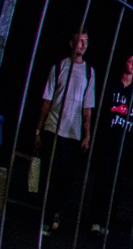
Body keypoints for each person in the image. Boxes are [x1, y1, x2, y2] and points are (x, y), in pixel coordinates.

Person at [35, 30, 97, 235]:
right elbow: (47, 100)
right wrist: (39, 128)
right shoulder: (59, 67)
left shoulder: (89, 72)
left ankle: (55, 210)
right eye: (80, 41)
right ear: (71, 43)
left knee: (66, 178)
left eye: (86, 41)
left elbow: (87, 108)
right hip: (54, 127)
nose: (83, 45)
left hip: (73, 132)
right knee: (50, 175)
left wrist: (87, 134)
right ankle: (45, 217)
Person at [84, 52, 133, 233]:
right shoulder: (112, 86)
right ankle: (94, 219)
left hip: (123, 145)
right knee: (102, 180)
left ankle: (106, 221)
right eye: (130, 61)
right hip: (108, 141)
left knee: (115, 184)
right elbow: (103, 112)